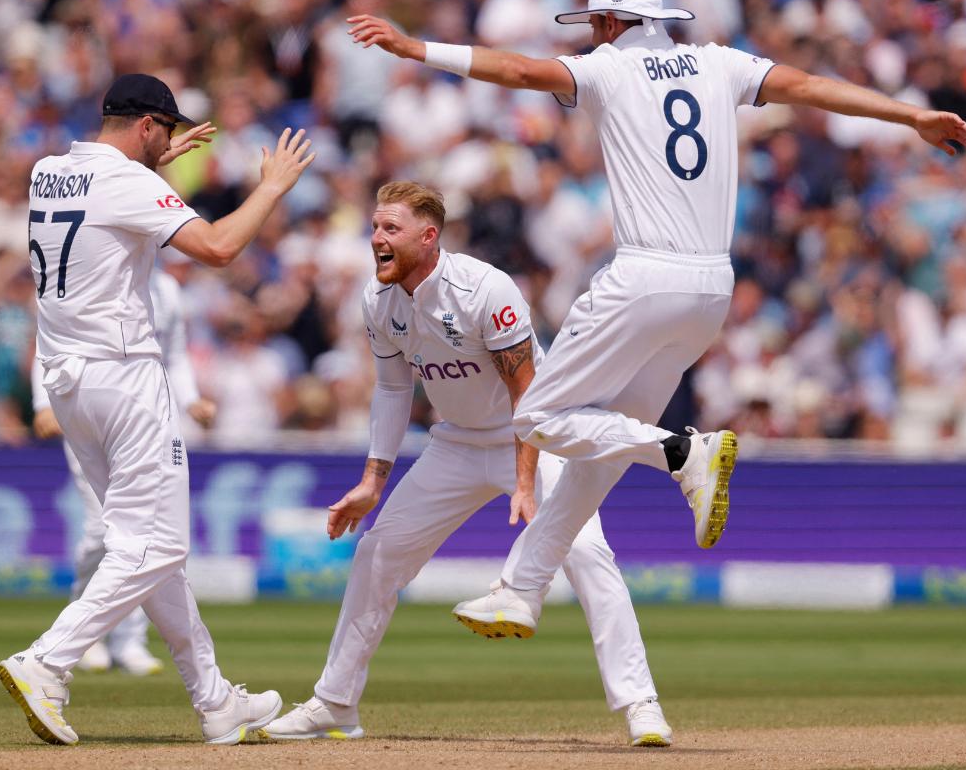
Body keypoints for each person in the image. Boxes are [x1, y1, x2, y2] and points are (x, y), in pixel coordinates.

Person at [346, 0, 966, 637]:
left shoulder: (608, 70)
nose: (592, 34)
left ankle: (683, 451)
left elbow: (522, 72)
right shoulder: (720, 63)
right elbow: (810, 87)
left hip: (642, 278)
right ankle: (521, 587)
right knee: (602, 452)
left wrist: (419, 51)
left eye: (595, 24)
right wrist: (909, 115)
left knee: (534, 418)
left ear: (613, 22)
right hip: (712, 288)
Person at [261, 182, 673, 747]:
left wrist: (524, 481)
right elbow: (390, 391)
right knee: (378, 554)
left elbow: (529, 393)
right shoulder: (378, 301)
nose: (376, 239)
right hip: (454, 445)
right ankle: (335, 703)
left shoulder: (485, 288)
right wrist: (370, 481)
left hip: (532, 438)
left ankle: (640, 704)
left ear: (429, 237)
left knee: (585, 551)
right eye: (375, 227)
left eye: (391, 229)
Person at [0, 73, 315, 746]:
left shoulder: (49, 171)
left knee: (145, 548)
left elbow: (107, 196)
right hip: (124, 378)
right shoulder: (131, 185)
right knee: (158, 543)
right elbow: (220, 249)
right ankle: (47, 662)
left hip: (68, 383)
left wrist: (153, 170)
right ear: (147, 126)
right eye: (165, 132)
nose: (172, 143)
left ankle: (217, 700)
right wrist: (272, 187)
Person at [31, 266, 217, 676]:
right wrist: (40, 403)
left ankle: (129, 640)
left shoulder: (166, 289)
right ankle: (87, 634)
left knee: (144, 533)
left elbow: (176, 356)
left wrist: (191, 401)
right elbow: (51, 339)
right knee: (103, 530)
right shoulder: (97, 269)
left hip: (149, 414)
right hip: (94, 409)